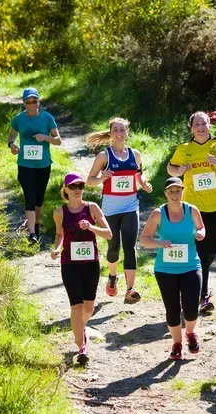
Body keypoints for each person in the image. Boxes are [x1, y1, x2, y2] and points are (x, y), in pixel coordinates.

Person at [167, 111, 216, 313]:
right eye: (196, 124)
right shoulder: (184, 148)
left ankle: (196, 287)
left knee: (211, 251)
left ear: (210, 125)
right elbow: (170, 168)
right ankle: (202, 295)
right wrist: (178, 171)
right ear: (191, 127)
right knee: (200, 250)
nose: (200, 127)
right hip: (193, 207)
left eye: (204, 123)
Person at [86, 117, 153, 303]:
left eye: (122, 130)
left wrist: (144, 184)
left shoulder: (135, 154)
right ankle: (113, 276)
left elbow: (139, 174)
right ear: (111, 133)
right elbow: (89, 181)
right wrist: (101, 178)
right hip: (110, 208)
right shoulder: (104, 156)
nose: (119, 133)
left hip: (131, 206)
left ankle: (130, 289)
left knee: (130, 247)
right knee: (114, 247)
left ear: (127, 132)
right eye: (115, 129)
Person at [140, 177, 206, 360]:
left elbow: (202, 228)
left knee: (192, 307)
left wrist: (201, 233)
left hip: (191, 265)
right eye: (171, 191)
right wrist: (160, 243)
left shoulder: (192, 210)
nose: (175, 195)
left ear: (183, 191)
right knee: (172, 308)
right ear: (165, 193)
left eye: (178, 191)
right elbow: (144, 239)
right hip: (165, 269)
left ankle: (191, 333)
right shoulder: (158, 214)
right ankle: (176, 344)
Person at [51, 172, 112, 364]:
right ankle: (82, 347)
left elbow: (109, 234)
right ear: (66, 189)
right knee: (76, 307)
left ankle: (80, 328)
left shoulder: (92, 208)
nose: (77, 190)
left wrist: (92, 228)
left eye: (80, 187)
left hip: (90, 264)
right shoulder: (59, 212)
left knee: (89, 307)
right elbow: (60, 234)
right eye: (73, 187)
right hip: (69, 264)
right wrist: (56, 249)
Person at [8, 87, 63, 243]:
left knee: (39, 199)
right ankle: (32, 233)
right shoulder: (19, 119)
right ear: (24, 103)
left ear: (38, 101)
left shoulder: (47, 118)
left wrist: (45, 137)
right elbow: (12, 134)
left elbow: (58, 140)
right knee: (29, 197)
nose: (31, 104)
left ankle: (36, 224)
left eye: (34, 101)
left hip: (43, 164)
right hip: (25, 164)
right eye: (28, 102)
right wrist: (11, 145)